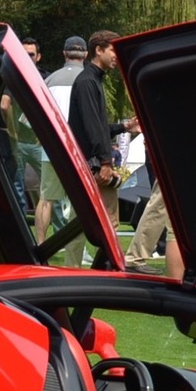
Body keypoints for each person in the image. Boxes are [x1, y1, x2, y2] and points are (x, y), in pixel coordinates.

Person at [66, 30, 140, 266]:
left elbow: (96, 125)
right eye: (113, 50)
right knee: (107, 219)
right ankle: (107, 268)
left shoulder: (91, 80)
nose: (117, 56)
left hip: (90, 160)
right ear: (99, 50)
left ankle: (81, 267)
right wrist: (106, 162)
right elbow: (91, 127)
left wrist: (123, 127)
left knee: (85, 219)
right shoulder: (88, 81)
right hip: (93, 163)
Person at [36, 37, 89, 249]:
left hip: (52, 148)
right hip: (79, 150)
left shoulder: (49, 80)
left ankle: (41, 245)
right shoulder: (89, 79)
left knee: (46, 199)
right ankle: (77, 248)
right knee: (81, 202)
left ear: (64, 53)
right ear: (85, 54)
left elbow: (35, 118)